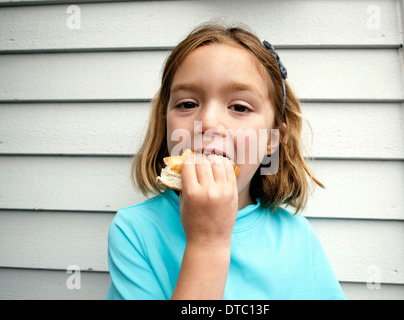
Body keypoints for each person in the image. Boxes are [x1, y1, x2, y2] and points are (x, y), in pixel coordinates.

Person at [106, 22, 346, 300]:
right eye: (187, 104)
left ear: (272, 139)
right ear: (166, 125)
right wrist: (207, 243)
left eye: (239, 107)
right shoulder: (135, 231)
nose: (208, 122)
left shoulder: (298, 238)